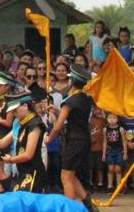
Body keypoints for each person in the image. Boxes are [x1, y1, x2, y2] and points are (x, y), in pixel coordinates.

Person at [46, 64, 98, 212]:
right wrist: (59, 110)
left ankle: (69, 208)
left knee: (65, 176)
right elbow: (76, 115)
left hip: (74, 140)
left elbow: (58, 126)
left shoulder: (70, 101)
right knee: (71, 174)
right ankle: (89, 206)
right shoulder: (85, 98)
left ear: (72, 82)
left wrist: (49, 139)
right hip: (83, 138)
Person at [0, 91, 48, 193]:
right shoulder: (18, 123)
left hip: (33, 173)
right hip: (22, 171)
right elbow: (3, 142)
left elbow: (28, 155)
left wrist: (11, 160)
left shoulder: (35, 125)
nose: (13, 114)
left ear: (25, 106)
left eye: (15, 111)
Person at [103, 113, 126, 191]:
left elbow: (124, 141)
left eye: (114, 118)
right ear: (107, 119)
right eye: (110, 118)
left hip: (119, 150)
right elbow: (105, 142)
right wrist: (103, 153)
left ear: (117, 119)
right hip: (109, 151)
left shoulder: (121, 129)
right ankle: (110, 186)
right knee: (110, 169)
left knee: (118, 169)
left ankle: (119, 186)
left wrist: (125, 153)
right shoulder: (105, 129)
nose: (112, 120)